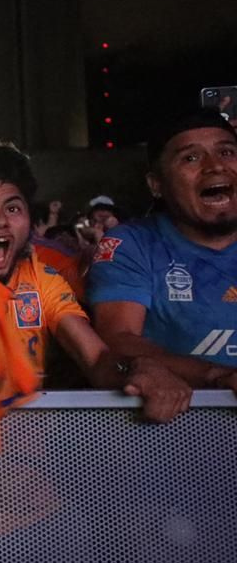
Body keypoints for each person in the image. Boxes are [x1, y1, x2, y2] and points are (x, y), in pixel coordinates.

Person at [0, 142, 190, 420]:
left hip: (29, 456)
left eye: (13, 208)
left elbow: (97, 359)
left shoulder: (42, 280)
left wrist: (136, 369)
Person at [89, 108, 237, 392]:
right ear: (156, 185)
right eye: (191, 158)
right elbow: (118, 339)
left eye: (227, 152)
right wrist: (219, 376)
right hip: (175, 428)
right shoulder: (132, 244)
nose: (215, 166)